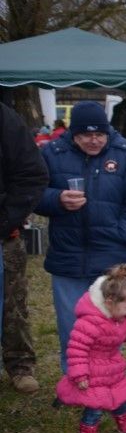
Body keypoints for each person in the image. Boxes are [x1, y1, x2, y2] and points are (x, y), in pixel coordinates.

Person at [34, 101, 126, 374]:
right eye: (86, 135)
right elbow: (32, 191)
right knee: (72, 331)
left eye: (99, 134)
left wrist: (125, 235)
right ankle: (75, 382)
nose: (94, 140)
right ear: (73, 133)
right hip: (68, 259)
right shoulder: (52, 153)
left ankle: (109, 380)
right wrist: (56, 199)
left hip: (111, 260)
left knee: (110, 330)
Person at [55, 264, 126, 433]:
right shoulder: (88, 322)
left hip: (113, 369)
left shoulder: (123, 319)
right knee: (95, 406)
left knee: (121, 398)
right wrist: (79, 374)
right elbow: (77, 349)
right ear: (110, 302)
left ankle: (125, 422)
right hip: (93, 372)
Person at [1, 101, 49, 393]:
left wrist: (6, 219)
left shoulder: (6, 119)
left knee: (13, 307)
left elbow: (32, 174)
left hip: (4, 237)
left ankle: (20, 365)